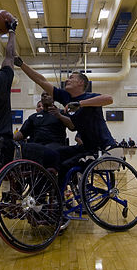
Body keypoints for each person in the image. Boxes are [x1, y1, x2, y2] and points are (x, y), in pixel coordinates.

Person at [0, 23, 58, 171]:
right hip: (4, 147)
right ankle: (47, 189)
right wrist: (11, 31)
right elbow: (10, 56)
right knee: (52, 155)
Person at [14, 58, 116, 187]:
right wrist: (21, 65)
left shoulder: (89, 97)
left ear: (80, 82)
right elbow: (41, 80)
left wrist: (80, 104)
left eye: (71, 78)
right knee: (54, 155)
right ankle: (44, 190)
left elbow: (109, 99)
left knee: (64, 166)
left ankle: (60, 199)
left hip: (101, 148)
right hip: (86, 147)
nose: (67, 80)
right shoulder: (66, 97)